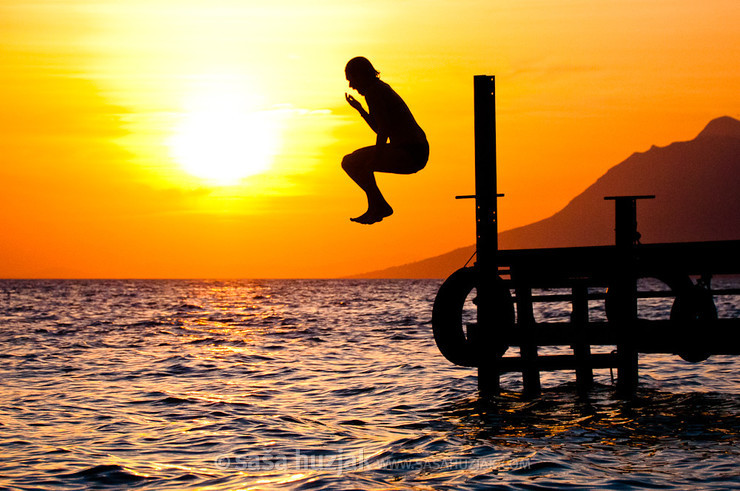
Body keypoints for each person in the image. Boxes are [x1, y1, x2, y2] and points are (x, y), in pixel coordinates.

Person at [342, 57, 429, 224]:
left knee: (351, 162)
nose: (351, 86)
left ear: (360, 76)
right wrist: (360, 110)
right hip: (411, 150)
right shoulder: (377, 90)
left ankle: (379, 206)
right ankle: (378, 205)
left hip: (411, 152)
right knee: (351, 162)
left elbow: (383, 131)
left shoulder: (374, 92)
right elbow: (380, 127)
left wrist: (373, 160)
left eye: (352, 80)